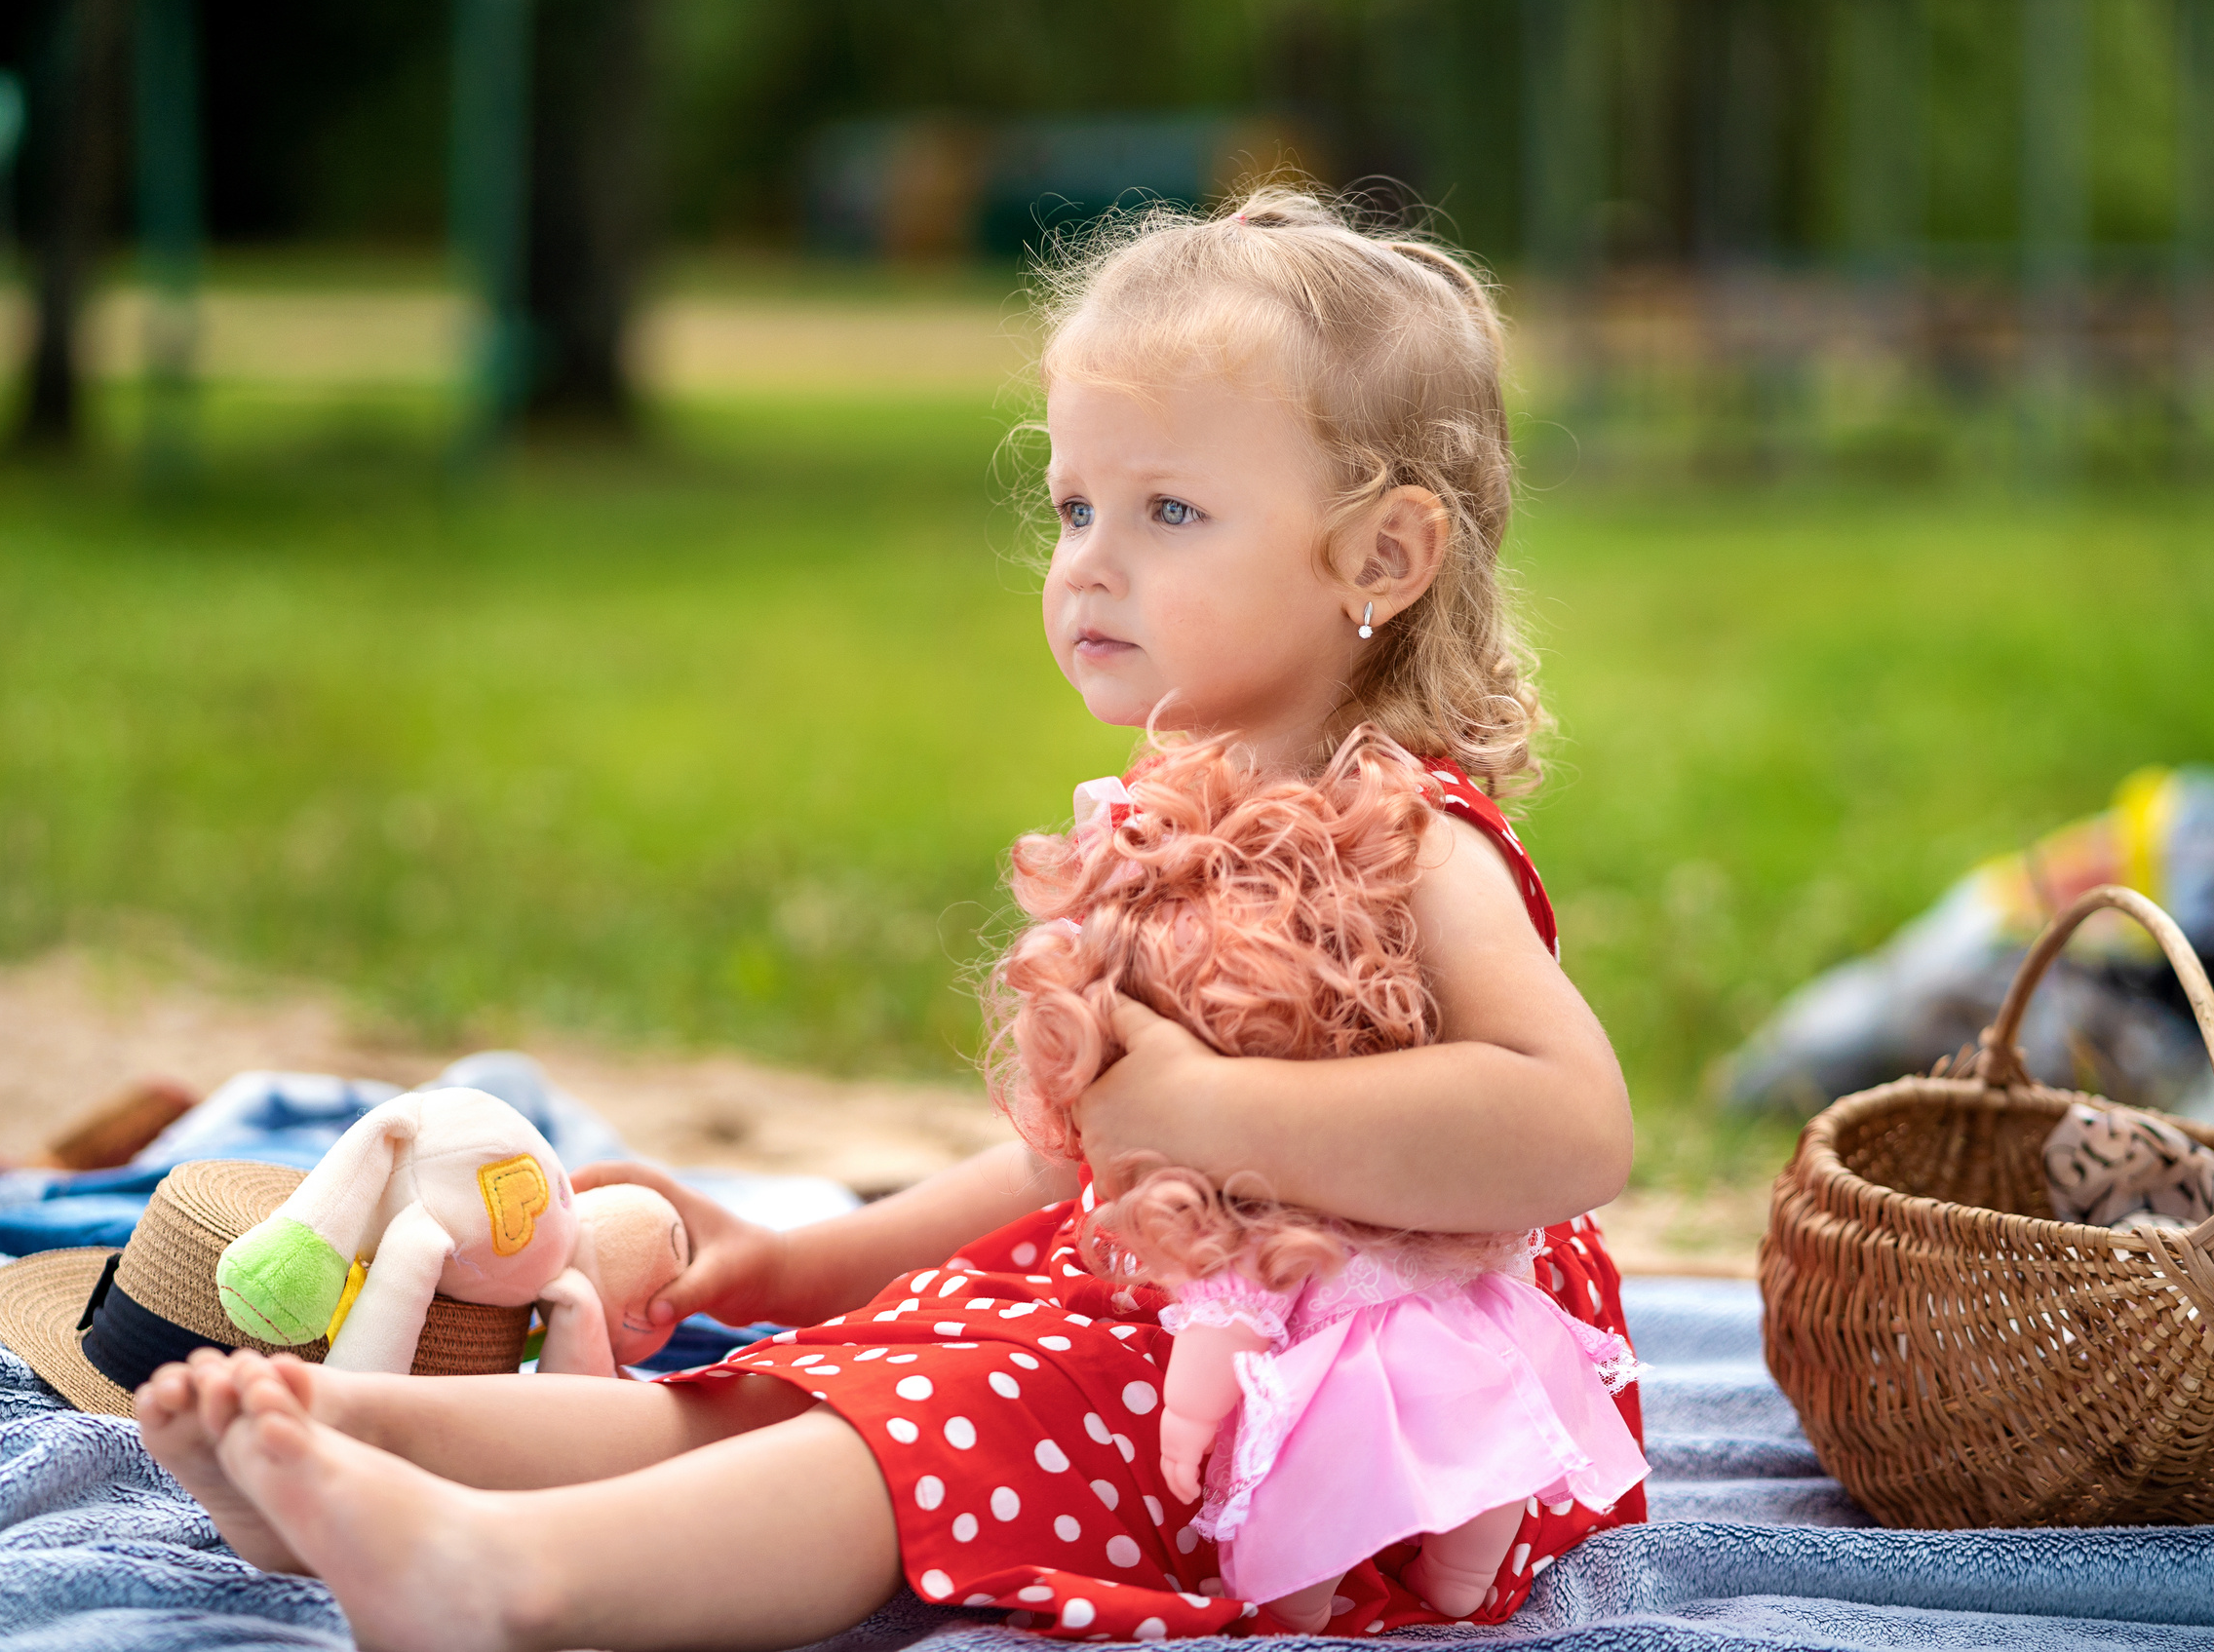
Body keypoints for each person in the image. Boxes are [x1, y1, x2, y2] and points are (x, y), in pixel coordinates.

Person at [134, 185, 1645, 1652]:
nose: (1089, 562)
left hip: (1351, 1376)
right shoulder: (1159, 818)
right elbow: (1073, 1158)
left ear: (1379, 557)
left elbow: (1571, 1125)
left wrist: (1211, 1106)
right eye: (1073, 505)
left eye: (1169, 509)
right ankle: (374, 1440)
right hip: (1154, 1296)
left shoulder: (1411, 835)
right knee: (856, 1369)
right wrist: (802, 1261)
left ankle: (516, 1579)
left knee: (965, 1419)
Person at [991, 728, 1647, 1632]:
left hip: (1336, 1381)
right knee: (1494, 1439)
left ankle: (1300, 1602)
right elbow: (1511, 1253)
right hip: (1460, 1342)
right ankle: (1460, 1572)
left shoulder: (1254, 1213)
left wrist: (1184, 1420)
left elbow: (1226, 1319)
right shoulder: (1403, 1168)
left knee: (1305, 1498)